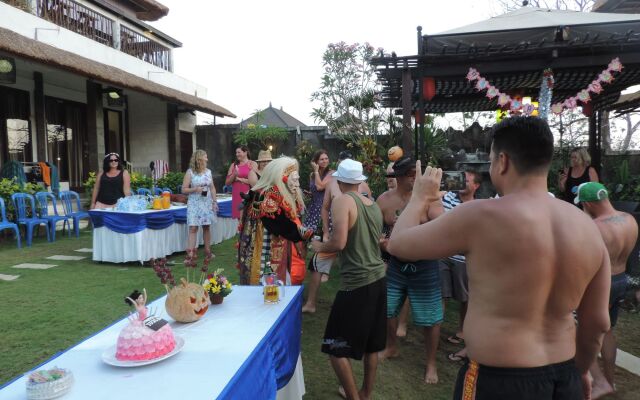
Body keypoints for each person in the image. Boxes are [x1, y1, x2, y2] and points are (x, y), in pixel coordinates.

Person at [387, 116, 611, 400]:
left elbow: (399, 244)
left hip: (498, 378)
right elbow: (598, 322)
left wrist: (419, 197)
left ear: (502, 161)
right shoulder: (587, 227)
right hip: (563, 376)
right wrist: (580, 371)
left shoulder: (481, 216)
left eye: (492, 160)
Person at [311, 159, 386, 400]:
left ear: (338, 180)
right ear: (360, 180)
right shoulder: (372, 205)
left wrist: (317, 246)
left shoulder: (343, 201)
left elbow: (338, 242)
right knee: (372, 345)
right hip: (378, 278)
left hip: (357, 282)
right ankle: (365, 393)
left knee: (336, 347)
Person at [377, 156, 444, 384]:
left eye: (415, 175)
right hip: (395, 265)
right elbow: (376, 232)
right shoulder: (384, 200)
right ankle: (391, 347)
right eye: (410, 175)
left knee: (430, 319)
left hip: (424, 266)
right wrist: (382, 244)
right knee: (387, 310)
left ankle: (431, 363)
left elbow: (441, 226)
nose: (414, 178)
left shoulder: (431, 201)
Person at [575, 182, 638, 399]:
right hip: (622, 280)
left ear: (589, 203)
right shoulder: (629, 219)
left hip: (602, 284)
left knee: (581, 332)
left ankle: (598, 381)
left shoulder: (595, 227)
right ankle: (610, 381)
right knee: (608, 331)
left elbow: (584, 262)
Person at [302, 151, 370, 314]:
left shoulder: (364, 187)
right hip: (333, 231)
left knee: (358, 266)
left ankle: (359, 305)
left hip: (355, 233)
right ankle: (311, 303)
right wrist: (325, 231)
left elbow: (368, 208)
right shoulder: (333, 184)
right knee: (317, 264)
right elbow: (325, 207)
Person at [237, 157, 312, 285]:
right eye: (294, 179)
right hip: (267, 245)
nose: (298, 184)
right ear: (282, 176)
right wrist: (302, 234)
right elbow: (279, 225)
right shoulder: (269, 196)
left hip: (282, 244)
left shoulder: (279, 192)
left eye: (297, 179)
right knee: (269, 281)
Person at [440, 170, 481, 362]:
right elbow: (436, 193)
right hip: (444, 255)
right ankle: (434, 326)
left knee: (465, 298)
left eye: (468, 181)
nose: (463, 183)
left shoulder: (478, 207)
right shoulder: (448, 197)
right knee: (441, 293)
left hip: (464, 260)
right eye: (461, 179)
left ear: (476, 186)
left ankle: (463, 331)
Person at [182, 149, 217, 267]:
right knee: (193, 228)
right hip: (194, 203)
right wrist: (194, 189)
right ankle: (190, 255)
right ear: (200, 158)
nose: (207, 158)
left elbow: (212, 188)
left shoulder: (208, 172)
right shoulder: (190, 172)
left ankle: (208, 251)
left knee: (206, 227)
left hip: (206, 203)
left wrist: (214, 201)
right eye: (205, 156)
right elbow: (184, 189)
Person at [304, 149, 334, 232]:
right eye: (322, 159)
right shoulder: (312, 175)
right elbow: (315, 190)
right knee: (310, 233)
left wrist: (316, 171)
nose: (325, 161)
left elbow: (319, 187)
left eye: (326, 158)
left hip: (326, 207)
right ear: (316, 161)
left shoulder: (332, 173)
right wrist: (309, 194)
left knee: (323, 231)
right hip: (314, 207)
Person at [225, 146, 257, 219]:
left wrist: (239, 179)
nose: (237, 154)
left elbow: (256, 182)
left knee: (250, 217)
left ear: (245, 152)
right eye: (236, 153)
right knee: (240, 219)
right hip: (237, 194)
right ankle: (240, 230)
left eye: (239, 152)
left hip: (249, 194)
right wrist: (234, 174)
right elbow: (227, 183)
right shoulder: (233, 165)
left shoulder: (252, 164)